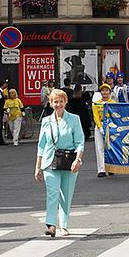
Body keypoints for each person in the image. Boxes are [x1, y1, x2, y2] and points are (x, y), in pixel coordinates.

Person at [35, 88, 86, 236]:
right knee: (53, 193)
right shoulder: (46, 121)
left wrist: (78, 160)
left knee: (66, 194)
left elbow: (80, 142)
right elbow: (41, 145)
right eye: (55, 102)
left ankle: (63, 225)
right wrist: (38, 167)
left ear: (65, 102)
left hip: (70, 161)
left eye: (61, 101)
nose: (58, 104)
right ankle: (51, 224)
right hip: (49, 161)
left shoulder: (74, 119)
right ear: (51, 103)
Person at [92, 83, 116, 178]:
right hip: (100, 125)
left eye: (106, 90)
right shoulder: (96, 103)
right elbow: (95, 116)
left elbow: (116, 115)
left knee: (110, 147)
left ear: (109, 92)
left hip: (110, 125)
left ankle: (111, 167)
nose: (104, 92)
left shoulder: (113, 103)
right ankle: (101, 169)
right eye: (103, 90)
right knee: (99, 148)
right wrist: (100, 126)